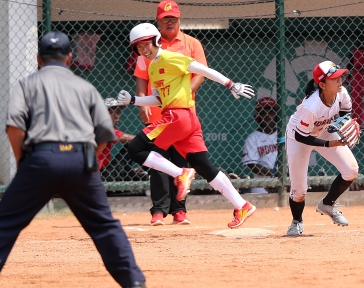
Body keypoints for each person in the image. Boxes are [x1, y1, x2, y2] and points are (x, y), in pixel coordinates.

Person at [0, 31, 147, 288]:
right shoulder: (85, 87)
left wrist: (23, 162)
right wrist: (89, 159)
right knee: (103, 224)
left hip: (40, 159)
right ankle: (133, 281)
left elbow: (14, 127)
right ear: (69, 58)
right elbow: (105, 131)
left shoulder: (26, 84)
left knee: (3, 223)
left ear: (39, 59)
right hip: (80, 159)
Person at [118, 23, 256, 228]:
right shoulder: (153, 67)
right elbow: (158, 100)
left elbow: (202, 69)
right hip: (186, 119)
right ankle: (242, 204)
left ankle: (180, 173)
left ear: (156, 40)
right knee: (202, 165)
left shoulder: (169, 57)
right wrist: (133, 100)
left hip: (177, 116)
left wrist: (230, 84)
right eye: (139, 48)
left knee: (136, 148)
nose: (144, 50)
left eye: (146, 44)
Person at [134, 0, 208, 226]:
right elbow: (141, 77)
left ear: (179, 19)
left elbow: (201, 73)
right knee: (157, 160)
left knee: (181, 159)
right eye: (165, 19)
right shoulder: (148, 46)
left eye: (173, 18)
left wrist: (184, 92)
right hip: (158, 113)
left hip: (184, 113)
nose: (170, 22)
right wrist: (142, 104)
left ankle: (179, 210)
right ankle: (158, 210)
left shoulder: (192, 43)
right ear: (158, 21)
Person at [285, 61, 359, 236]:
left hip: (325, 131)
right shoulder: (311, 106)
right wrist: (328, 144)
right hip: (299, 137)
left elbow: (345, 112)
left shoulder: (342, 93)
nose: (340, 80)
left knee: (351, 170)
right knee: (299, 191)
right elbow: (300, 136)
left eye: (340, 76)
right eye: (334, 78)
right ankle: (297, 222)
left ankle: (327, 204)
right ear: (322, 85)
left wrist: (340, 127)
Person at [98, 97, 147, 183]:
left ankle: (145, 176)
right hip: (99, 175)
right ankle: (149, 173)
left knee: (128, 171)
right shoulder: (102, 128)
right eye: (111, 113)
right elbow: (133, 139)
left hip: (105, 172)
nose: (116, 116)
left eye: (117, 112)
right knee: (132, 145)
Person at [242, 97, 278, 193]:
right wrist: (274, 174)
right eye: (263, 113)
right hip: (261, 185)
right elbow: (252, 165)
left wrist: (284, 175)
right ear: (258, 116)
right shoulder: (253, 138)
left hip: (286, 182)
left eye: (271, 112)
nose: (268, 116)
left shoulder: (285, 135)